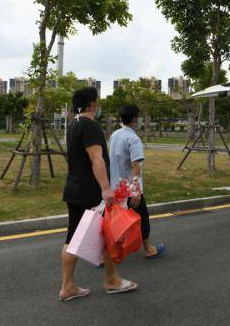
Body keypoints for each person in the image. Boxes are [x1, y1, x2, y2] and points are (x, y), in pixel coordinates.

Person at [59, 87, 137, 301]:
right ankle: (112, 281)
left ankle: (68, 286)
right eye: (97, 101)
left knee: (72, 238)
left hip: (73, 189)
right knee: (110, 236)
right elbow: (96, 159)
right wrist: (105, 188)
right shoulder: (91, 126)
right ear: (92, 104)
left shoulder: (73, 125)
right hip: (92, 194)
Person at [109, 104, 166, 258]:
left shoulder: (114, 135)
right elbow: (136, 165)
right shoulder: (133, 139)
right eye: (138, 117)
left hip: (116, 185)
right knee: (143, 217)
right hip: (129, 188)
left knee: (116, 219)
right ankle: (148, 249)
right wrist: (136, 190)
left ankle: (107, 254)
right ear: (135, 119)